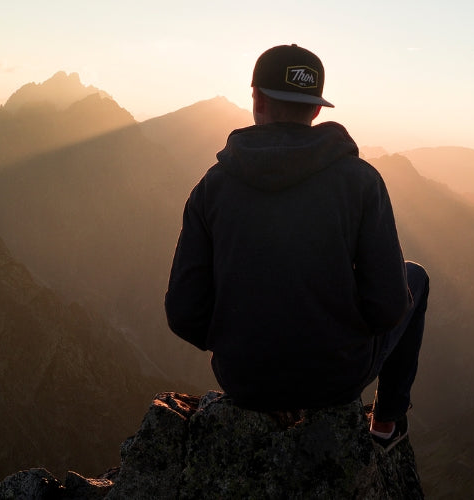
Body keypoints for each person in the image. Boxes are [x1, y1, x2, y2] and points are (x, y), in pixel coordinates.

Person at [165, 44, 428, 450]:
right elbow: (390, 306)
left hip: (244, 379)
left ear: (256, 99)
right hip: (336, 378)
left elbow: (184, 313)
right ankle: (385, 425)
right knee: (415, 277)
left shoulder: (211, 188)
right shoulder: (361, 182)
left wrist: (241, 341)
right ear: (317, 109)